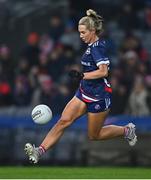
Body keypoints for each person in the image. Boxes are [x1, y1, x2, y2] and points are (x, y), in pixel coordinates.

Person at [24, 9, 137, 164]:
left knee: (94, 135)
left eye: (83, 32)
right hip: (84, 91)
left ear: (92, 30)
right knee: (63, 121)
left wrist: (83, 75)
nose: (80, 36)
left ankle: (127, 130)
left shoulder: (97, 48)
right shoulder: (92, 44)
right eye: (79, 32)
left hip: (99, 96)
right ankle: (39, 151)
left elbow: (104, 72)